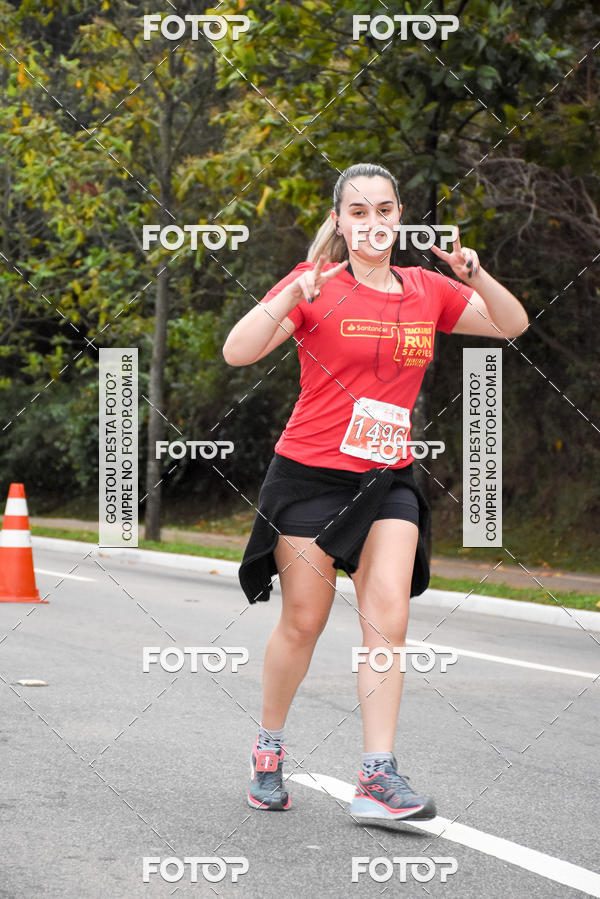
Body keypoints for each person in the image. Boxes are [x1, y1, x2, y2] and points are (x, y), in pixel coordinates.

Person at [222, 162, 528, 827]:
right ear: (339, 221)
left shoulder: (427, 289)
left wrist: (475, 276)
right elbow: (237, 351)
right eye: (357, 213)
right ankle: (268, 747)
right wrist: (286, 297)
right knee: (303, 620)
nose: (372, 223)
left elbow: (511, 324)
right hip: (308, 474)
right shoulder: (315, 285)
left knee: (388, 611)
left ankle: (377, 774)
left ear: (399, 216)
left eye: (383, 210)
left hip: (386, 477)